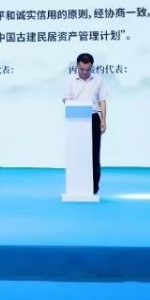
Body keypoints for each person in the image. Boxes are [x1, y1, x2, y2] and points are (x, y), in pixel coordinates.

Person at [63, 53, 108, 195]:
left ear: (91, 67)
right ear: (77, 66)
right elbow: (66, 100)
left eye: (88, 69)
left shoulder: (98, 80)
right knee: (76, 153)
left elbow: (102, 101)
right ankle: (76, 185)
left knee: (94, 154)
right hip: (75, 120)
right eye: (81, 69)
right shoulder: (70, 81)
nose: (84, 72)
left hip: (93, 118)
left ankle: (94, 187)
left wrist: (104, 120)